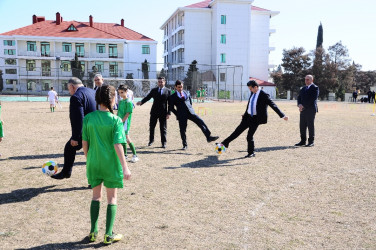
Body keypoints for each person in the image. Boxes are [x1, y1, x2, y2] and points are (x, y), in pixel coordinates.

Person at [82, 85, 131, 245]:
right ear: (112, 99)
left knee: (96, 197)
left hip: (93, 163)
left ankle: (93, 232)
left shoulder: (88, 118)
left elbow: (84, 142)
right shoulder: (116, 120)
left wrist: (89, 159)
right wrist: (125, 167)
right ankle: (108, 234)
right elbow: (118, 144)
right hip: (111, 164)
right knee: (112, 198)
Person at [218, 80, 288, 158]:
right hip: (247, 117)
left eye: (251, 88)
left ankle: (251, 153)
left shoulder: (264, 95)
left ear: (256, 87)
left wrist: (282, 115)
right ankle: (225, 143)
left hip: (256, 119)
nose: (250, 90)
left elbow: (273, 105)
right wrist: (245, 113)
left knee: (249, 136)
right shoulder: (252, 93)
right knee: (237, 131)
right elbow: (250, 105)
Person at [52, 77, 96, 180]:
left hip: (87, 131)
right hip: (98, 128)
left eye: (69, 88)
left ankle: (92, 179)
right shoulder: (92, 92)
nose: (69, 91)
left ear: (72, 86)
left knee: (74, 149)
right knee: (91, 154)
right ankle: (66, 172)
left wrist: (75, 137)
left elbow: (78, 119)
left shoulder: (76, 96)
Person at [168, 80, 219, 150]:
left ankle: (208, 137)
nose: (180, 88)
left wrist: (191, 109)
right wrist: (178, 114)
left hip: (191, 112)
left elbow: (190, 102)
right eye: (179, 87)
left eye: (181, 87)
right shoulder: (172, 97)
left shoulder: (187, 92)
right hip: (181, 115)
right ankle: (184, 145)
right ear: (175, 87)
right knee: (183, 130)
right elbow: (171, 107)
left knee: (201, 122)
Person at [136, 76, 171, 148]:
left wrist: (169, 113)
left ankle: (163, 143)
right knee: (152, 127)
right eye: (159, 82)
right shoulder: (154, 90)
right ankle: (151, 141)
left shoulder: (168, 91)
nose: (160, 83)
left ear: (164, 82)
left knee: (163, 128)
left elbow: (170, 103)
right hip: (154, 112)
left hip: (163, 112)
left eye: (161, 82)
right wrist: (141, 102)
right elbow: (148, 97)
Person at [295, 75, 319, 147]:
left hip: (311, 109)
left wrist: (303, 106)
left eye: (308, 79)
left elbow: (312, 99)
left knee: (310, 125)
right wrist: (299, 104)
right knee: (302, 125)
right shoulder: (303, 88)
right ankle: (303, 141)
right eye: (305, 79)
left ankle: (311, 141)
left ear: (312, 80)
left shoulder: (315, 88)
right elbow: (299, 97)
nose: (306, 81)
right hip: (302, 110)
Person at [117, 85, 139, 163]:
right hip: (120, 122)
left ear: (126, 92)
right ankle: (125, 155)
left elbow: (127, 113)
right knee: (122, 139)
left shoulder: (129, 101)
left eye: (122, 92)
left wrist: (122, 121)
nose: (120, 94)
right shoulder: (121, 101)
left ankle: (135, 155)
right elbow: (119, 112)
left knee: (127, 138)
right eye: (119, 92)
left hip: (125, 123)